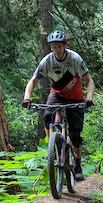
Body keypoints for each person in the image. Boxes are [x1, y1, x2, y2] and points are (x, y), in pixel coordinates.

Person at [22, 30, 94, 180]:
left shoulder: (75, 59)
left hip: (75, 98)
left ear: (65, 45)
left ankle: (78, 163)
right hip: (57, 95)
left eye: (59, 46)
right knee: (47, 116)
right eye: (53, 47)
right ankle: (52, 148)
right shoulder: (47, 61)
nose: (56, 50)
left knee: (75, 134)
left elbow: (89, 81)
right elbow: (33, 80)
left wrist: (88, 98)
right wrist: (27, 98)